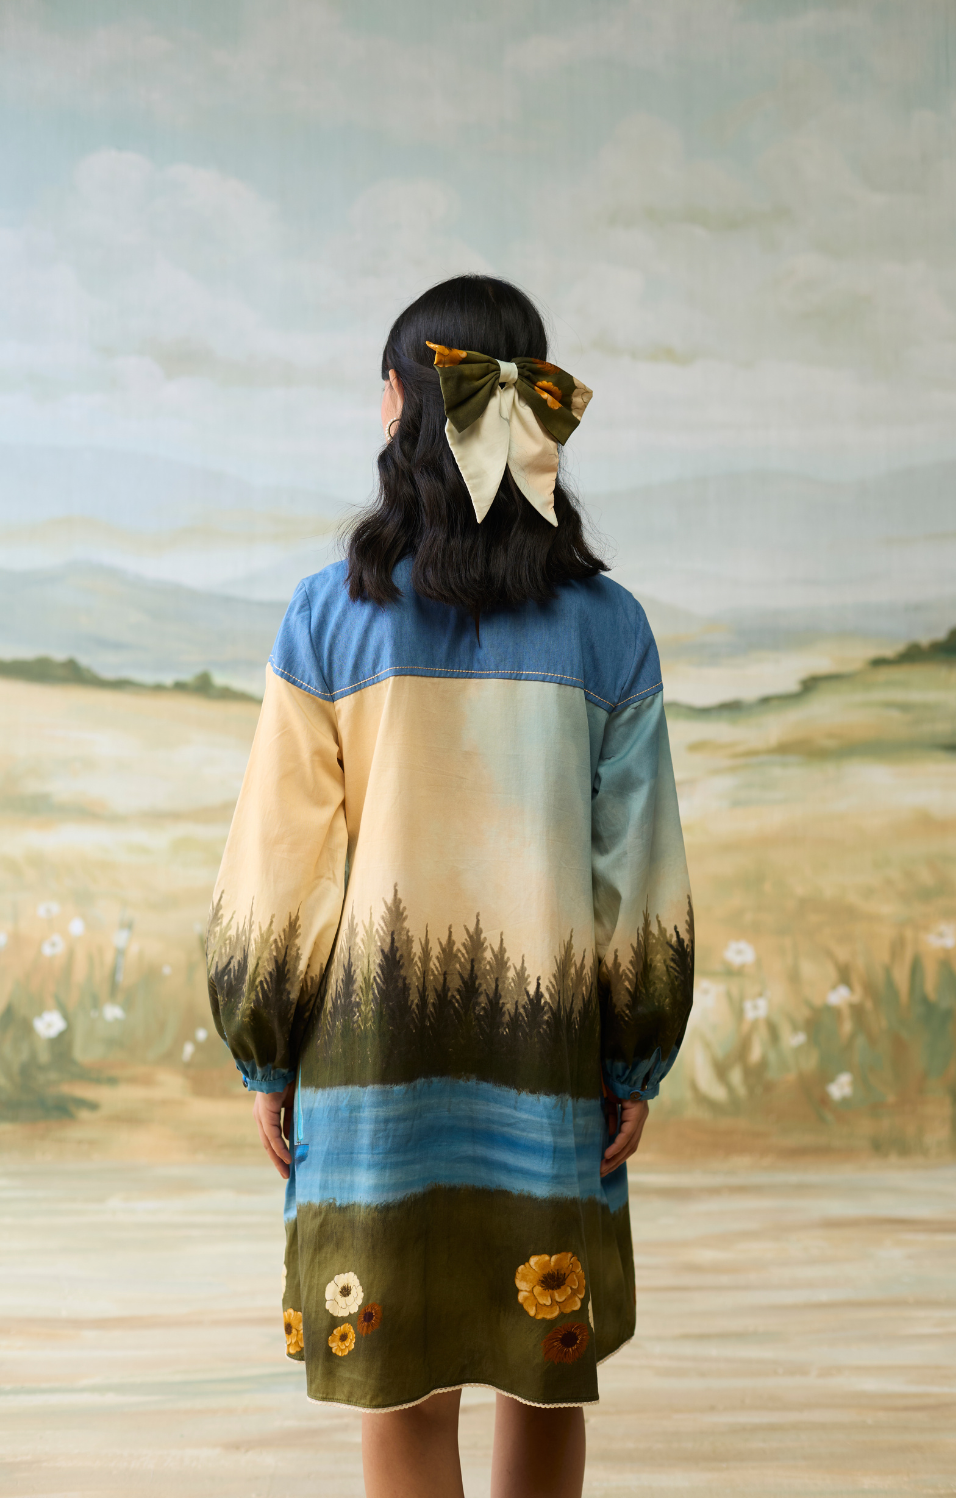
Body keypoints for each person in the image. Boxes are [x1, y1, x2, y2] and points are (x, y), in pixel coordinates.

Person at [206, 274, 694, 1498]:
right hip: (552, 1053)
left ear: (394, 403)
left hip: (369, 1061)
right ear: (533, 411)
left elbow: (280, 861)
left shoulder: (327, 617)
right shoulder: (609, 626)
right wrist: (634, 1053)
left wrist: (266, 1046)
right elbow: (637, 868)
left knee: (400, 1374)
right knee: (545, 1363)